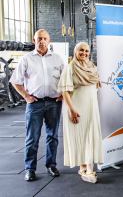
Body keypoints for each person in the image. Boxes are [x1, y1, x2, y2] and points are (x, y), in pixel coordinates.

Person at [10, 29, 65, 182]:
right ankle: (30, 169)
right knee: (32, 138)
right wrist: (26, 96)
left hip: (54, 103)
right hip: (35, 104)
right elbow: (15, 81)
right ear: (34, 40)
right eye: (39, 38)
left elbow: (66, 79)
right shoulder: (26, 59)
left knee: (52, 137)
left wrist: (63, 94)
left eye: (44, 38)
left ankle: (51, 165)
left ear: (49, 40)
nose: (42, 41)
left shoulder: (58, 59)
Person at [58, 42, 103, 183]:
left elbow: (94, 85)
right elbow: (65, 91)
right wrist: (72, 110)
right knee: (80, 137)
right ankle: (86, 168)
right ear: (75, 51)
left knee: (90, 135)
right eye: (81, 50)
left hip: (91, 107)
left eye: (86, 51)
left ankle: (86, 166)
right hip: (76, 108)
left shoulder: (92, 67)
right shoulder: (70, 68)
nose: (84, 53)